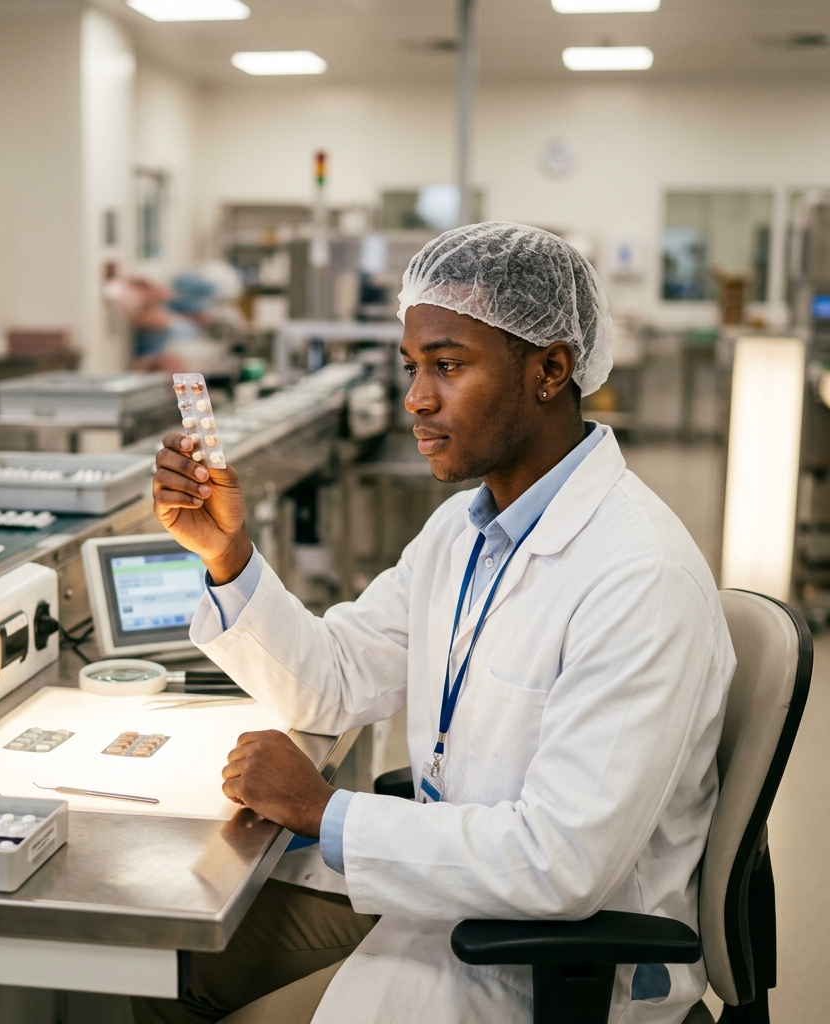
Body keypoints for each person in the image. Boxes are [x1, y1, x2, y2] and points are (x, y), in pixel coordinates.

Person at [137, 223, 735, 1024]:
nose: (416, 397)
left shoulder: (637, 576)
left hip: (548, 963)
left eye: (448, 366)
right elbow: (335, 680)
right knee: (166, 967)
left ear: (551, 369)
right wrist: (228, 556)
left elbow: (563, 864)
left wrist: (324, 812)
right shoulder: (464, 532)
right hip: (447, 896)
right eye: (412, 367)